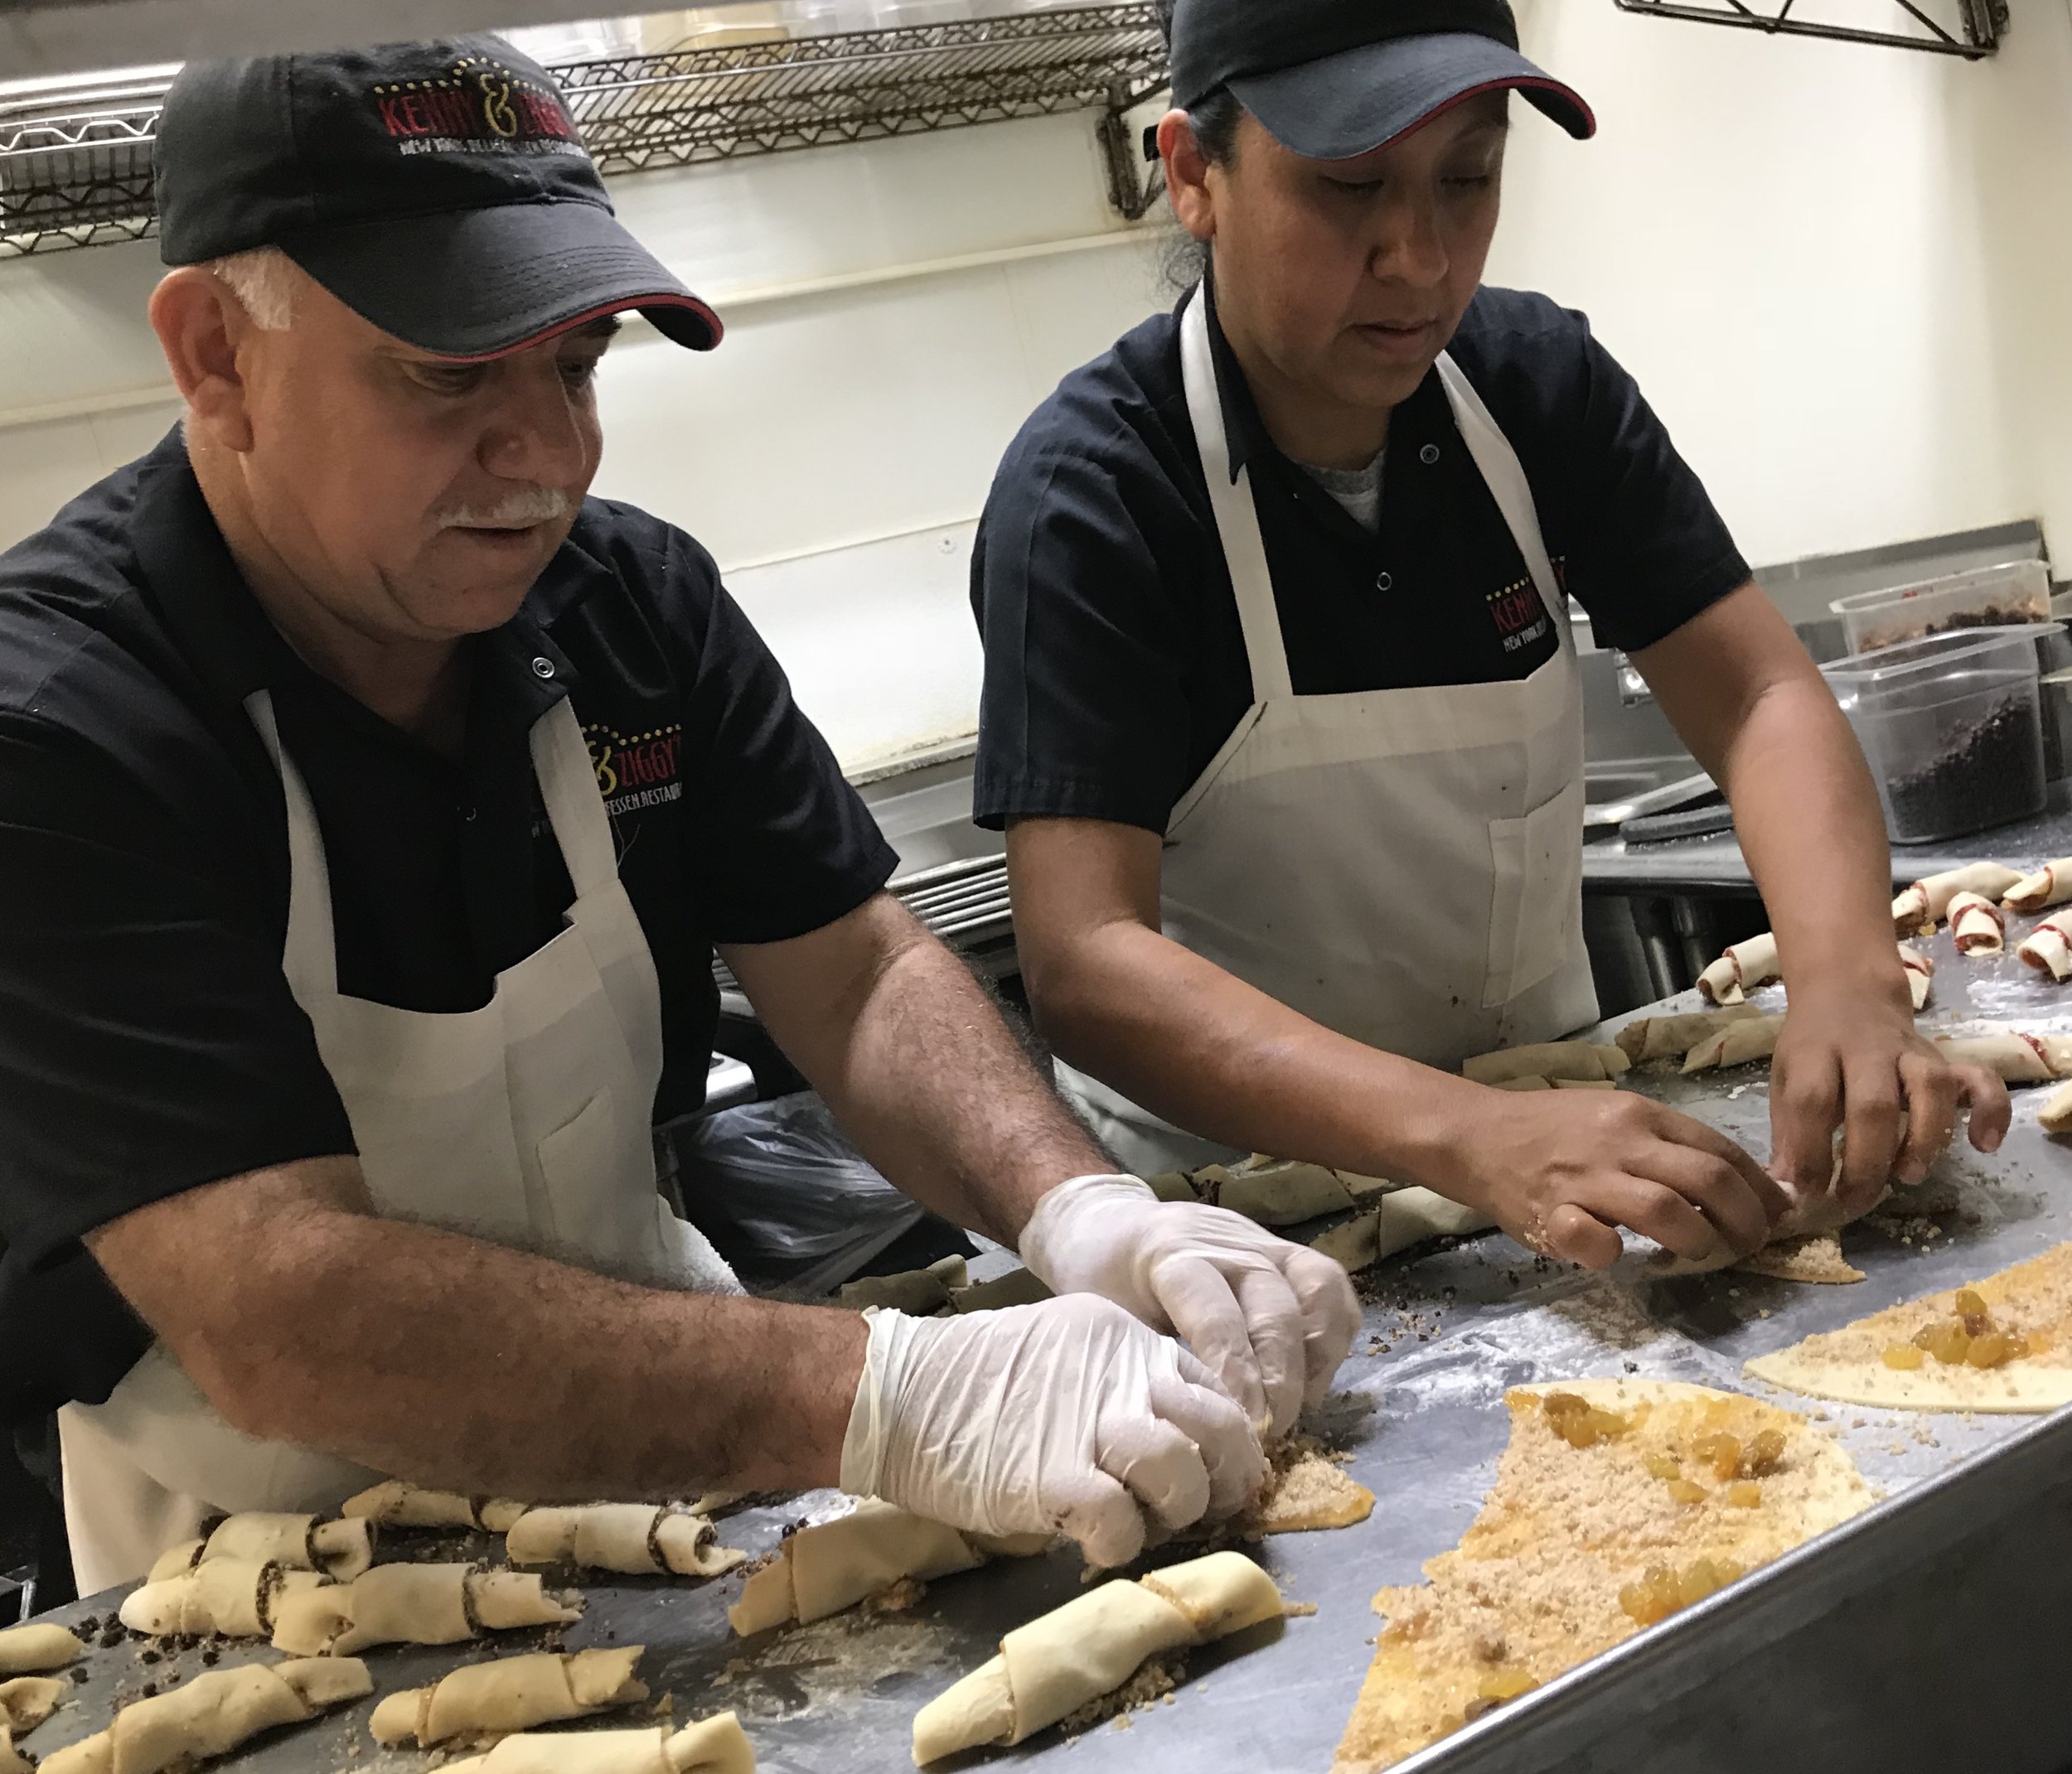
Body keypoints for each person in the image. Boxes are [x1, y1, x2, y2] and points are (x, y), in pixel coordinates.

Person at [0, 35, 1358, 1596]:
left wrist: (1084, 1209)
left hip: (680, 1514)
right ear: (215, 357)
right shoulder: (64, 732)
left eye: (576, 367)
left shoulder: (628, 608)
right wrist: (888, 1390)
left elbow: (852, 976)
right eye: (449, 374)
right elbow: (280, 1307)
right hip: (268, 1589)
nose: (551, 456)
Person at [971, 0, 2011, 1273]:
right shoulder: (1099, 492)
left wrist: (1847, 978)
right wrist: (1472, 1134)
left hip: (1585, 1166)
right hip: (1250, 1235)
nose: (1417, 256)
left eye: (1468, 177)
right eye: (1350, 187)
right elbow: (1087, 959)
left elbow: (1755, 699)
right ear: (1195, 175)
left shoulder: (1533, 389)